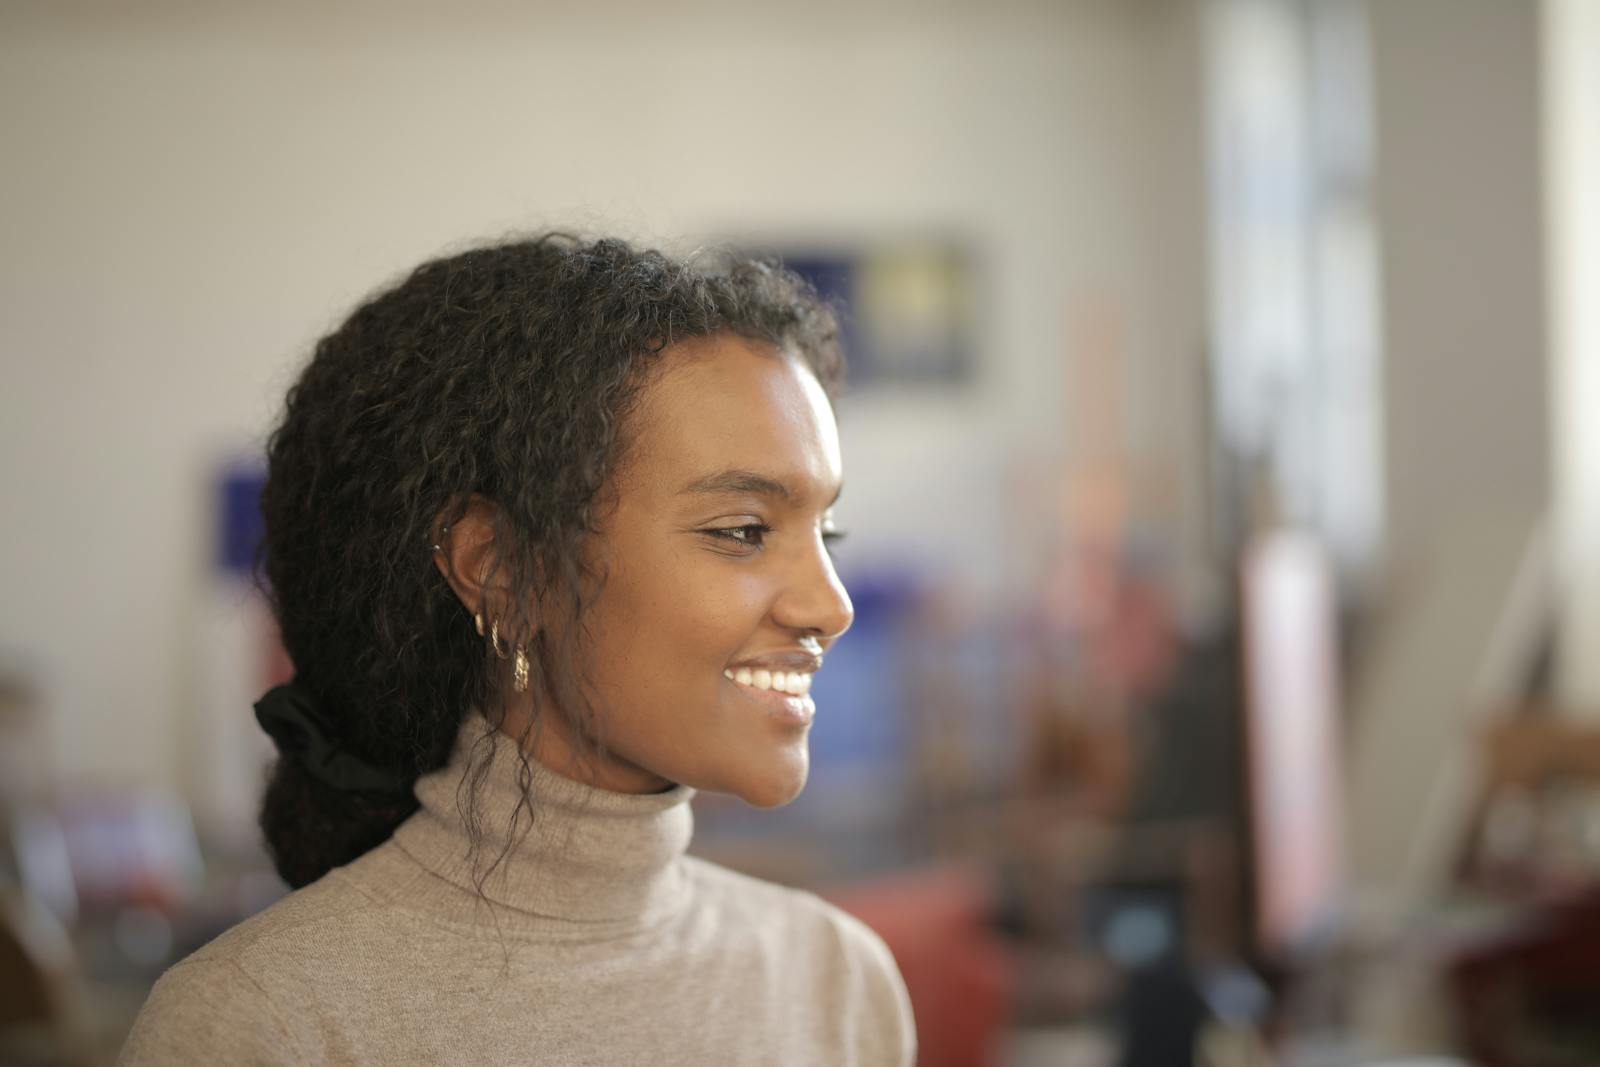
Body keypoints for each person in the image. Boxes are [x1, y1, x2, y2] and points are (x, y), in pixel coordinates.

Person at [118, 235, 917, 1066]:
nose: (834, 605)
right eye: (744, 531)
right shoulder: (264, 1024)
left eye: (827, 531)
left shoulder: (838, 985)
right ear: (499, 568)